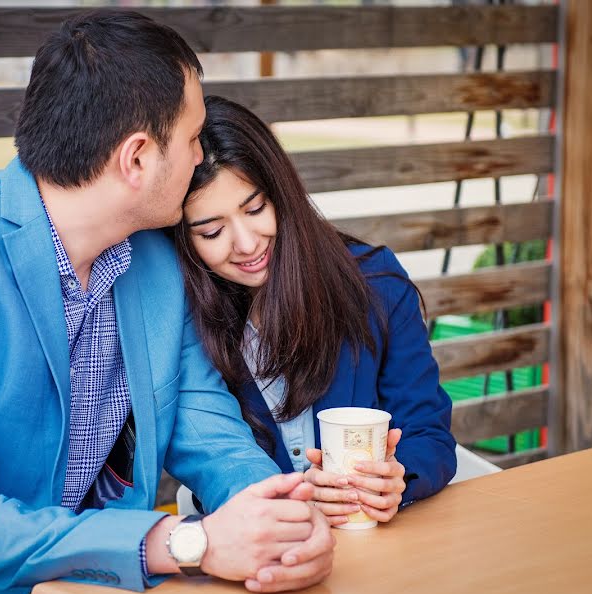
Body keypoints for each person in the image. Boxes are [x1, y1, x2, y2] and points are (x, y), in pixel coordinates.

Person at [0, 13, 334, 594]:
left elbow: (210, 432)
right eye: (193, 137)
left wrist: (284, 518)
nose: (202, 158)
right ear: (138, 158)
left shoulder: (154, 264)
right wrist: (188, 543)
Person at [172, 96, 457, 527]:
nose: (246, 244)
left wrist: (398, 477)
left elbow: (430, 434)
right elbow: (210, 469)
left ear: (282, 193)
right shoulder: (186, 317)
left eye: (255, 209)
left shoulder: (374, 284)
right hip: (263, 551)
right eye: (212, 231)